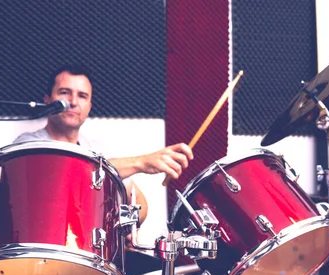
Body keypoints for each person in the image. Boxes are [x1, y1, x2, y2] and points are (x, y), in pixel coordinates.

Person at [13, 64, 194, 225]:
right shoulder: (27, 144)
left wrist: (121, 228)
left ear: (89, 107)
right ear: (47, 100)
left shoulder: (97, 151)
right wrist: (140, 162)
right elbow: (65, 175)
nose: (73, 102)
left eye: (82, 96)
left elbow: (137, 201)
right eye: (64, 93)